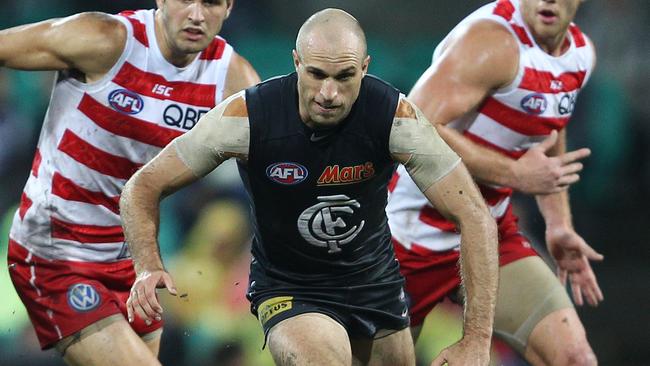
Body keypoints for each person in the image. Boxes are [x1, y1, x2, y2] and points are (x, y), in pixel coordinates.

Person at [121, 8, 500, 366]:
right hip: (291, 287)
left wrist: (477, 339)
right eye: (317, 74)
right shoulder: (246, 118)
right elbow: (143, 186)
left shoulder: (395, 120)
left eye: (345, 77)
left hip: (376, 285)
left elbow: (474, 215)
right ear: (297, 63)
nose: (328, 93)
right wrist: (147, 267)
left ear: (365, 69)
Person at [2, 0, 259, 365]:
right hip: (56, 252)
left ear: (230, 7)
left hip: (131, 265)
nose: (197, 14)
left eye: (212, 3)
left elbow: (276, 171)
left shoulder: (232, 80)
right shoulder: (105, 40)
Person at [386, 0, 603, 365]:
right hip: (406, 242)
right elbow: (409, 123)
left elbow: (550, 132)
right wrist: (515, 174)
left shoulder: (580, 55)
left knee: (576, 358)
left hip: (491, 238)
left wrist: (558, 224)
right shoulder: (491, 42)